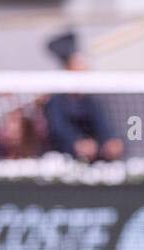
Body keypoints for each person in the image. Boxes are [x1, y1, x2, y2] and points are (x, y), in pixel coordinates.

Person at [43, 32, 124, 162]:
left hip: (96, 161)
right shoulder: (56, 101)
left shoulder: (91, 100)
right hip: (65, 160)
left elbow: (104, 126)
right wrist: (77, 143)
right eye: (79, 64)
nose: (85, 67)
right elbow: (58, 130)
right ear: (68, 68)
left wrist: (110, 141)